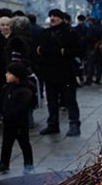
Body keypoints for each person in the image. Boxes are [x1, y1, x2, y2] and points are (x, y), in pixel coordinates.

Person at [35, 8, 83, 136]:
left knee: (70, 100)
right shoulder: (45, 33)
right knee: (51, 100)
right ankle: (52, 124)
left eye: (55, 16)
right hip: (49, 72)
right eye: (51, 16)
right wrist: (56, 51)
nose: (52, 18)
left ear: (61, 18)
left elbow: (78, 50)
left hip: (66, 72)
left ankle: (74, 124)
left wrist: (64, 52)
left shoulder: (70, 33)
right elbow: (39, 50)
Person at [0, 60, 35, 175]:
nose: (6, 75)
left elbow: (21, 108)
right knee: (6, 144)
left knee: (24, 144)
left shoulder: (25, 90)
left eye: (9, 73)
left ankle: (28, 165)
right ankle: (4, 164)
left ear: (17, 76)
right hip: (8, 122)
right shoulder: (7, 88)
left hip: (20, 123)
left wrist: (7, 116)